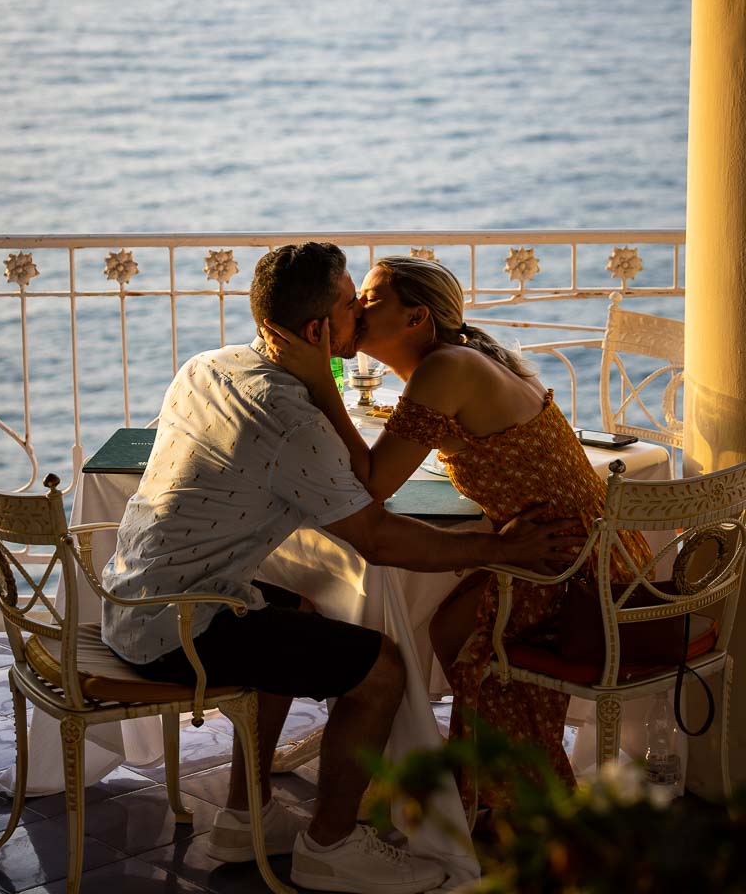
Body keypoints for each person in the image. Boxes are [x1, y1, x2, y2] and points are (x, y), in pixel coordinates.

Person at [102, 242, 584, 893]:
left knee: (294, 609)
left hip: (133, 601)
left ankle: (247, 816)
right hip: (177, 630)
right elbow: (377, 539)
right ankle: (331, 847)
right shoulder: (293, 421)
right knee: (380, 667)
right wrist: (499, 550)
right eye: (350, 304)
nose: (359, 310)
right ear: (315, 332)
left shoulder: (209, 365)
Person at [264, 254, 652, 825]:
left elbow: (372, 485)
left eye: (370, 299)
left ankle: (508, 796)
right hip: (576, 541)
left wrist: (323, 383)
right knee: (453, 628)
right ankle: (493, 785)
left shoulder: (447, 369)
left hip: (574, 560)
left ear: (417, 317)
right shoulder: (460, 361)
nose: (356, 309)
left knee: (466, 637)